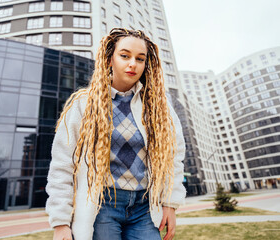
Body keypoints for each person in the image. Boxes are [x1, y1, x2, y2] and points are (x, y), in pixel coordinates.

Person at [45, 28, 186, 240]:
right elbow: (62, 164)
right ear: (110, 59)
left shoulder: (159, 107)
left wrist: (170, 203)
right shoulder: (83, 104)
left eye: (140, 58)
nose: (132, 64)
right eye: (125, 55)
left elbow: (174, 156)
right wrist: (61, 222)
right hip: (103, 206)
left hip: (145, 207)